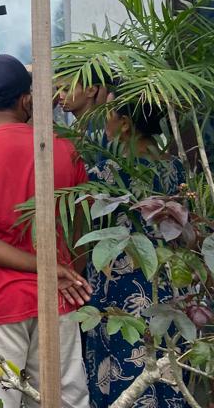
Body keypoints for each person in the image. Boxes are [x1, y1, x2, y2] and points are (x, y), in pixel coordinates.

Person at [0, 54, 92, 408]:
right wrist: (66, 273)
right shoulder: (65, 151)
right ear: (27, 100)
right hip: (58, 295)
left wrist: (50, 271)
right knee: (64, 396)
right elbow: (81, 230)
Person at [82, 97, 185, 407]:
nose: (106, 121)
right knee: (166, 363)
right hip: (167, 280)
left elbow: (88, 231)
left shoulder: (105, 172)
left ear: (125, 123)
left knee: (120, 366)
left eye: (110, 113)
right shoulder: (176, 167)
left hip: (121, 285)